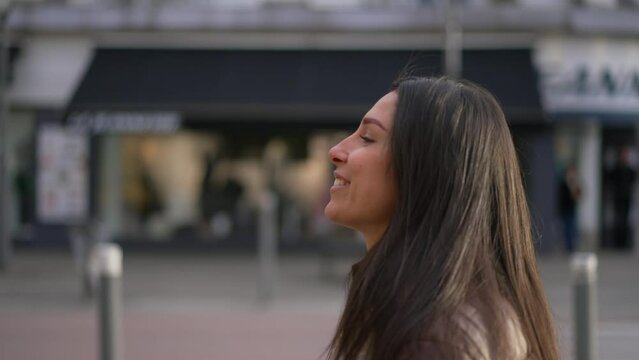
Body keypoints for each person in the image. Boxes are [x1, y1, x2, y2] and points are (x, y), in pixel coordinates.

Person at [323, 76, 558, 360]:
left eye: (368, 138)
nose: (335, 151)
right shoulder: (424, 311)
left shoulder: (434, 339)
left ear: (428, 172)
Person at [608, 146, 636, 250]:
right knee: (617, 220)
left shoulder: (630, 170)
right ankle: (617, 243)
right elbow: (609, 177)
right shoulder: (616, 168)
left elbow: (633, 179)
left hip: (626, 197)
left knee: (626, 221)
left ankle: (625, 243)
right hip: (618, 197)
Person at [558, 163, 581, 253]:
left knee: (572, 227)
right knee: (567, 227)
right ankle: (568, 245)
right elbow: (564, 196)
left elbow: (579, 193)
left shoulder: (574, 182)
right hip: (565, 208)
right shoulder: (564, 183)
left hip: (572, 209)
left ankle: (572, 245)